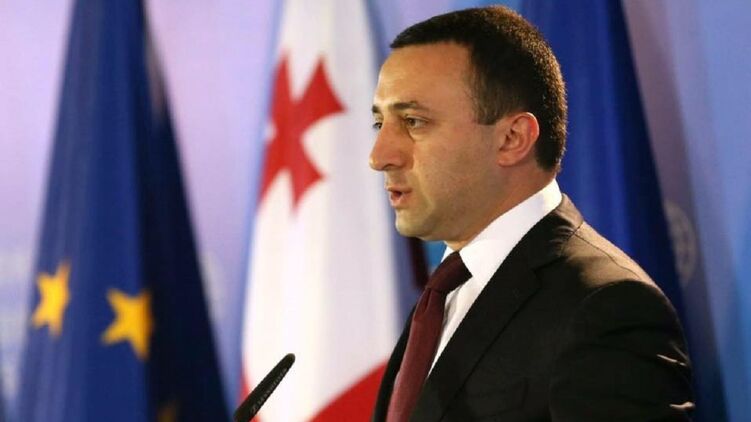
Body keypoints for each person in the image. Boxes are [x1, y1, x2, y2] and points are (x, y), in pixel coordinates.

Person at [368, 6, 693, 422]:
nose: (379, 156)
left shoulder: (606, 307)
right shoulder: (443, 295)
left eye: (414, 121)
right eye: (380, 124)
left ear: (512, 138)